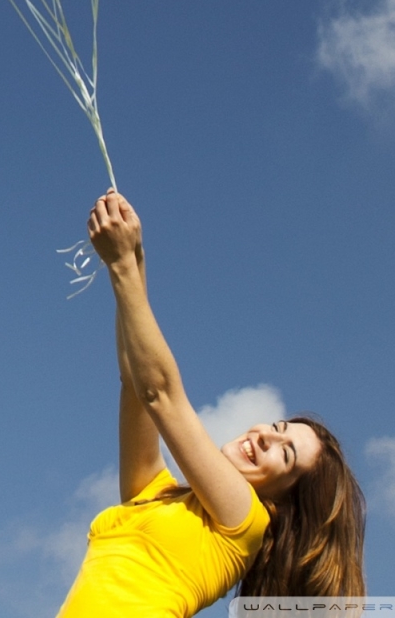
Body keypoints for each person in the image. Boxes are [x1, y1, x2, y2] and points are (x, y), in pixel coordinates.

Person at [57, 191, 365, 618]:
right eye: (276, 429)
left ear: (282, 501)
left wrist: (125, 263)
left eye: (285, 453)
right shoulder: (154, 492)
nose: (265, 438)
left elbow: (161, 395)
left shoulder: (245, 523)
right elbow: (136, 381)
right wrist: (131, 261)